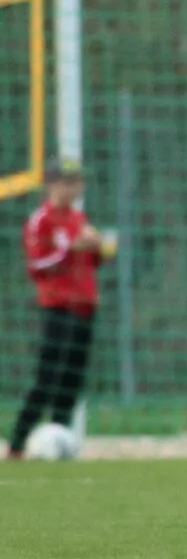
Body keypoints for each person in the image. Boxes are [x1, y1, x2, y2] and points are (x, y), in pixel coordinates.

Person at [8, 160, 113, 458]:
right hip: (57, 308)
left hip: (85, 307)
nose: (74, 188)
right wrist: (70, 249)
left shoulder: (79, 218)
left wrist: (98, 248)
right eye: (67, 182)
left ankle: (59, 442)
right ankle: (17, 444)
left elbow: (89, 263)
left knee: (71, 381)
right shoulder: (41, 221)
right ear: (52, 185)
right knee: (47, 378)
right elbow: (37, 265)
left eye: (77, 182)